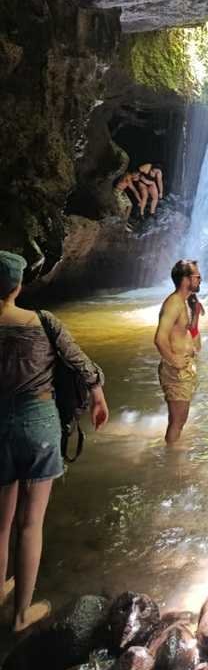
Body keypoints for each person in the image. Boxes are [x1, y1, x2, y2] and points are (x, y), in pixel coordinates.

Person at [0, 251, 109, 632]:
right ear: (18, 285)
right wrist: (98, 396)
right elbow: (82, 365)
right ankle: (21, 614)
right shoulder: (44, 323)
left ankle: (0, 588)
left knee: (2, 522)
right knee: (31, 524)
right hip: (39, 424)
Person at [154, 260, 201, 445]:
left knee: (180, 421)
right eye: (197, 277)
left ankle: (173, 457)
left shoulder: (184, 303)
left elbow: (188, 332)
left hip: (184, 370)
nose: (200, 280)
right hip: (176, 372)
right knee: (176, 422)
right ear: (185, 279)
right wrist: (174, 361)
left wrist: (196, 313)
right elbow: (159, 338)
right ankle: (171, 464)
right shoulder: (174, 303)